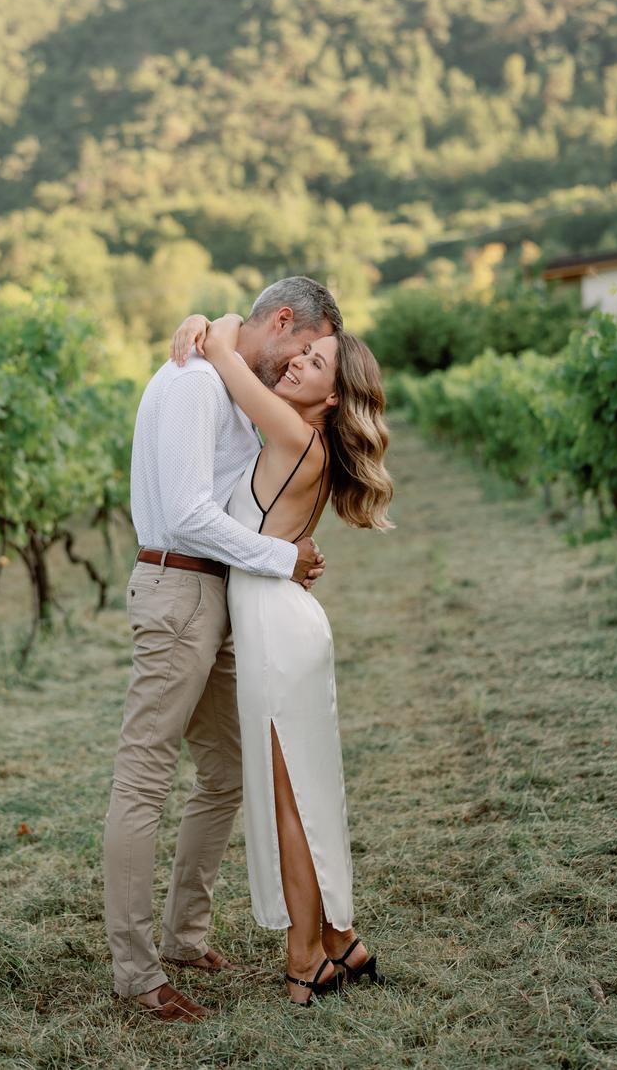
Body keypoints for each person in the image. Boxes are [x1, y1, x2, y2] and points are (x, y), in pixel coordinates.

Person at [103, 276, 342, 1023]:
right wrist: (282, 558)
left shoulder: (228, 378)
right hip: (179, 590)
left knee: (226, 770)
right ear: (283, 322)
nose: (299, 366)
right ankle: (137, 972)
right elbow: (188, 512)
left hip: (221, 596)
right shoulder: (195, 384)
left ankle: (183, 933)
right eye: (303, 349)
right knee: (146, 774)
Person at [168, 307, 394, 1005]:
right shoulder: (311, 441)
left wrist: (217, 317)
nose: (296, 362)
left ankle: (305, 958)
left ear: (332, 399)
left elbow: (231, 357)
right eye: (303, 354)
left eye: (315, 362)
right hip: (285, 620)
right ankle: (336, 941)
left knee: (291, 801)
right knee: (307, 795)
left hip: (274, 627)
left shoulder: (295, 429)